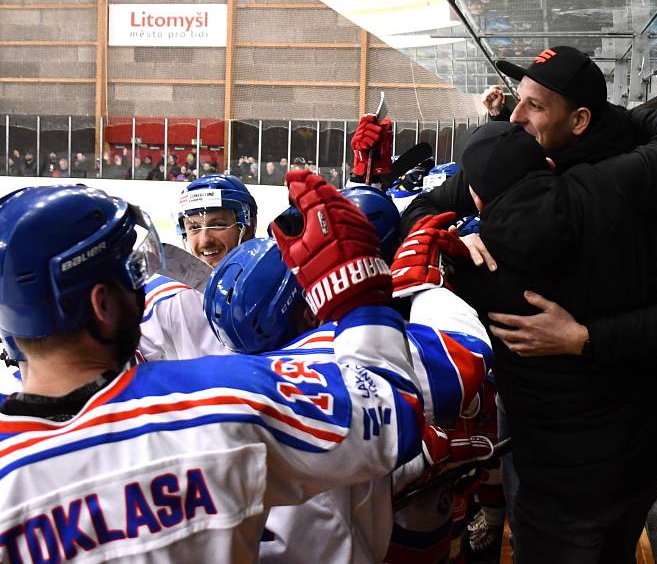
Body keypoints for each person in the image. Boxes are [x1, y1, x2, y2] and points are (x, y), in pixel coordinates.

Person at [0, 179, 424, 562]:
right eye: (133, 275)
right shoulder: (222, 401)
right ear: (102, 305)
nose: (144, 289)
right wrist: (359, 293)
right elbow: (390, 415)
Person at [450, 120, 657, 563]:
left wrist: (456, 242)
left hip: (555, 485)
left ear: (477, 199)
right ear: (550, 166)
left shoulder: (474, 269)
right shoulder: (623, 199)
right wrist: (589, 339)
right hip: (637, 461)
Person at [203, 225, 491, 563]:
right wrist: (423, 284)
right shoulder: (329, 354)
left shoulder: (212, 377)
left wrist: (395, 467)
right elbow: (467, 354)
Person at [138, 174, 259, 362]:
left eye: (218, 225)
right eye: (194, 228)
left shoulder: (281, 283)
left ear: (248, 228)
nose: (205, 241)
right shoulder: (163, 300)